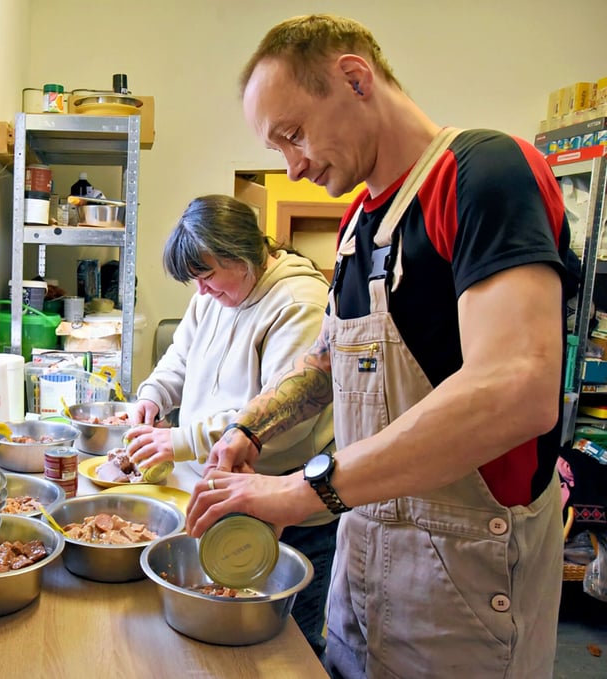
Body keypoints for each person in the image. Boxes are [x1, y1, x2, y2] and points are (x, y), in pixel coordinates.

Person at [185, 14, 570, 679]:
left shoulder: (483, 173)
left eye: (293, 134)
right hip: (363, 575)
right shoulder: (363, 225)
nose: (292, 165)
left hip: (464, 592)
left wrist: (301, 492)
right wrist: (251, 426)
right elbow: (328, 364)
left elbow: (517, 387)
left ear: (354, 78)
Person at [123, 193, 336, 654]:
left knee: (285, 648)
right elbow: (178, 358)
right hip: (221, 490)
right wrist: (152, 397)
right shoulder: (213, 296)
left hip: (289, 508)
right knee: (219, 636)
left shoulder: (300, 301)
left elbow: (284, 418)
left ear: (241, 256)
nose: (201, 291)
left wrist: (179, 440)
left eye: (207, 276)